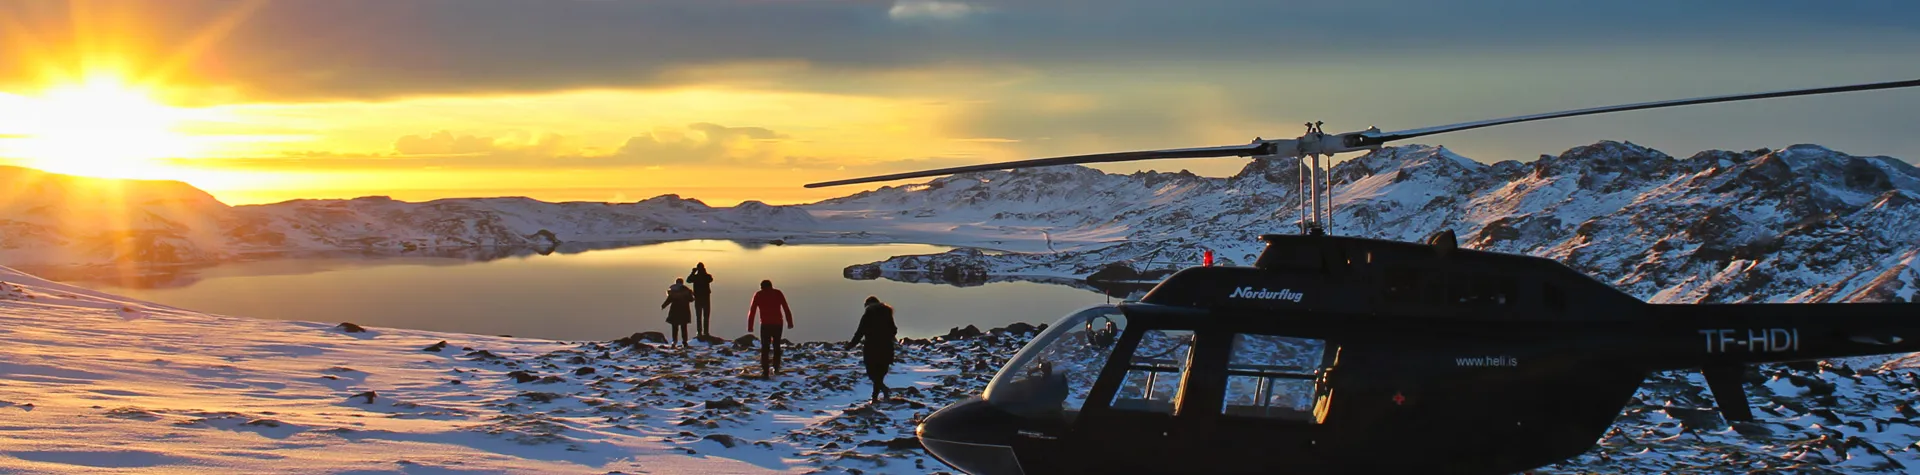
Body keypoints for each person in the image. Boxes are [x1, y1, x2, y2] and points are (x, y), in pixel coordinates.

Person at [846, 296, 897, 401]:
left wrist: (851, 345)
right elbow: (894, 329)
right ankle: (875, 396)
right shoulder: (887, 314)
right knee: (881, 373)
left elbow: (860, 332)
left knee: (872, 372)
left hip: (872, 348)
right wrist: (887, 337)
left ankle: (879, 394)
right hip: (886, 348)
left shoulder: (868, 314)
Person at [746, 279, 793, 377]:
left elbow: (752, 311)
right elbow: (785, 307)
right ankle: (776, 368)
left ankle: (765, 370)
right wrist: (790, 322)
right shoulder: (778, 293)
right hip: (777, 324)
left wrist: (750, 326)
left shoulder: (758, 295)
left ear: (761, 287)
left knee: (765, 348)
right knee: (776, 346)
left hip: (765, 325)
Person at [661, 278, 694, 347]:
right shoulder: (686, 290)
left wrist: (663, 306)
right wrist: (691, 294)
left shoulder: (673, 291)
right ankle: (684, 342)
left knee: (675, 327)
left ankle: (674, 341)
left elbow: (669, 300)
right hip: (684, 311)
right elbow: (691, 299)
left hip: (674, 311)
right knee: (684, 327)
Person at [687, 263, 714, 337]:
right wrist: (703, 272)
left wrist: (693, 272)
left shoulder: (696, 277)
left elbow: (688, 280)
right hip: (706, 298)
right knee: (706, 316)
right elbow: (710, 279)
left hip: (698, 298)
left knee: (698, 316)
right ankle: (706, 332)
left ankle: (699, 332)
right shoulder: (707, 276)